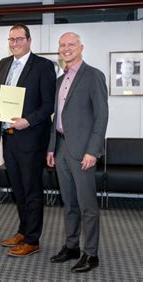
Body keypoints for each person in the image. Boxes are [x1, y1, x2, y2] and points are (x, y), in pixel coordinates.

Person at [0, 23, 56, 257]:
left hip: (30, 138)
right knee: (17, 188)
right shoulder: (4, 64)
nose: (15, 43)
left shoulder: (43, 66)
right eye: (11, 40)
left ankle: (32, 239)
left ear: (29, 40)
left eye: (19, 39)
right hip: (8, 138)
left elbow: (49, 104)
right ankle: (22, 230)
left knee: (31, 189)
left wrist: (27, 120)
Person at [47, 32, 108, 273]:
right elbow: (57, 118)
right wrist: (51, 147)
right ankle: (71, 246)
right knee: (69, 202)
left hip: (83, 152)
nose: (66, 48)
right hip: (61, 148)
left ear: (81, 47)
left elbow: (102, 116)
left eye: (71, 44)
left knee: (87, 206)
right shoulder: (60, 80)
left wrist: (93, 150)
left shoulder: (93, 76)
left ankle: (91, 254)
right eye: (62, 45)